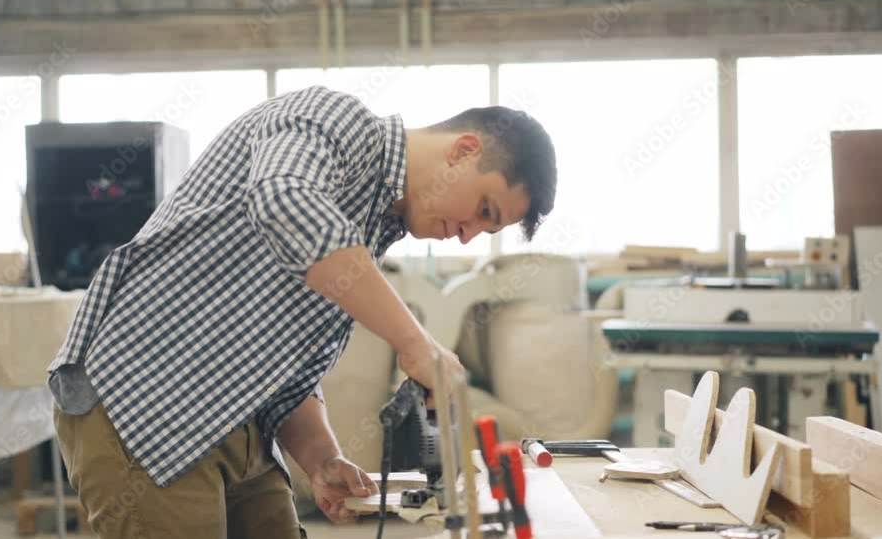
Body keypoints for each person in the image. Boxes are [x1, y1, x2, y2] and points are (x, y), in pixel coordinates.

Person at [47, 85, 557, 538]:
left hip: (235, 423)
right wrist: (415, 342)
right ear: (464, 150)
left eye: (487, 230)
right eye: (484, 210)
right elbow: (284, 202)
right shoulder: (335, 119)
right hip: (146, 404)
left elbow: (285, 361)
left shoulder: (372, 229)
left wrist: (322, 457)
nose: (468, 235)